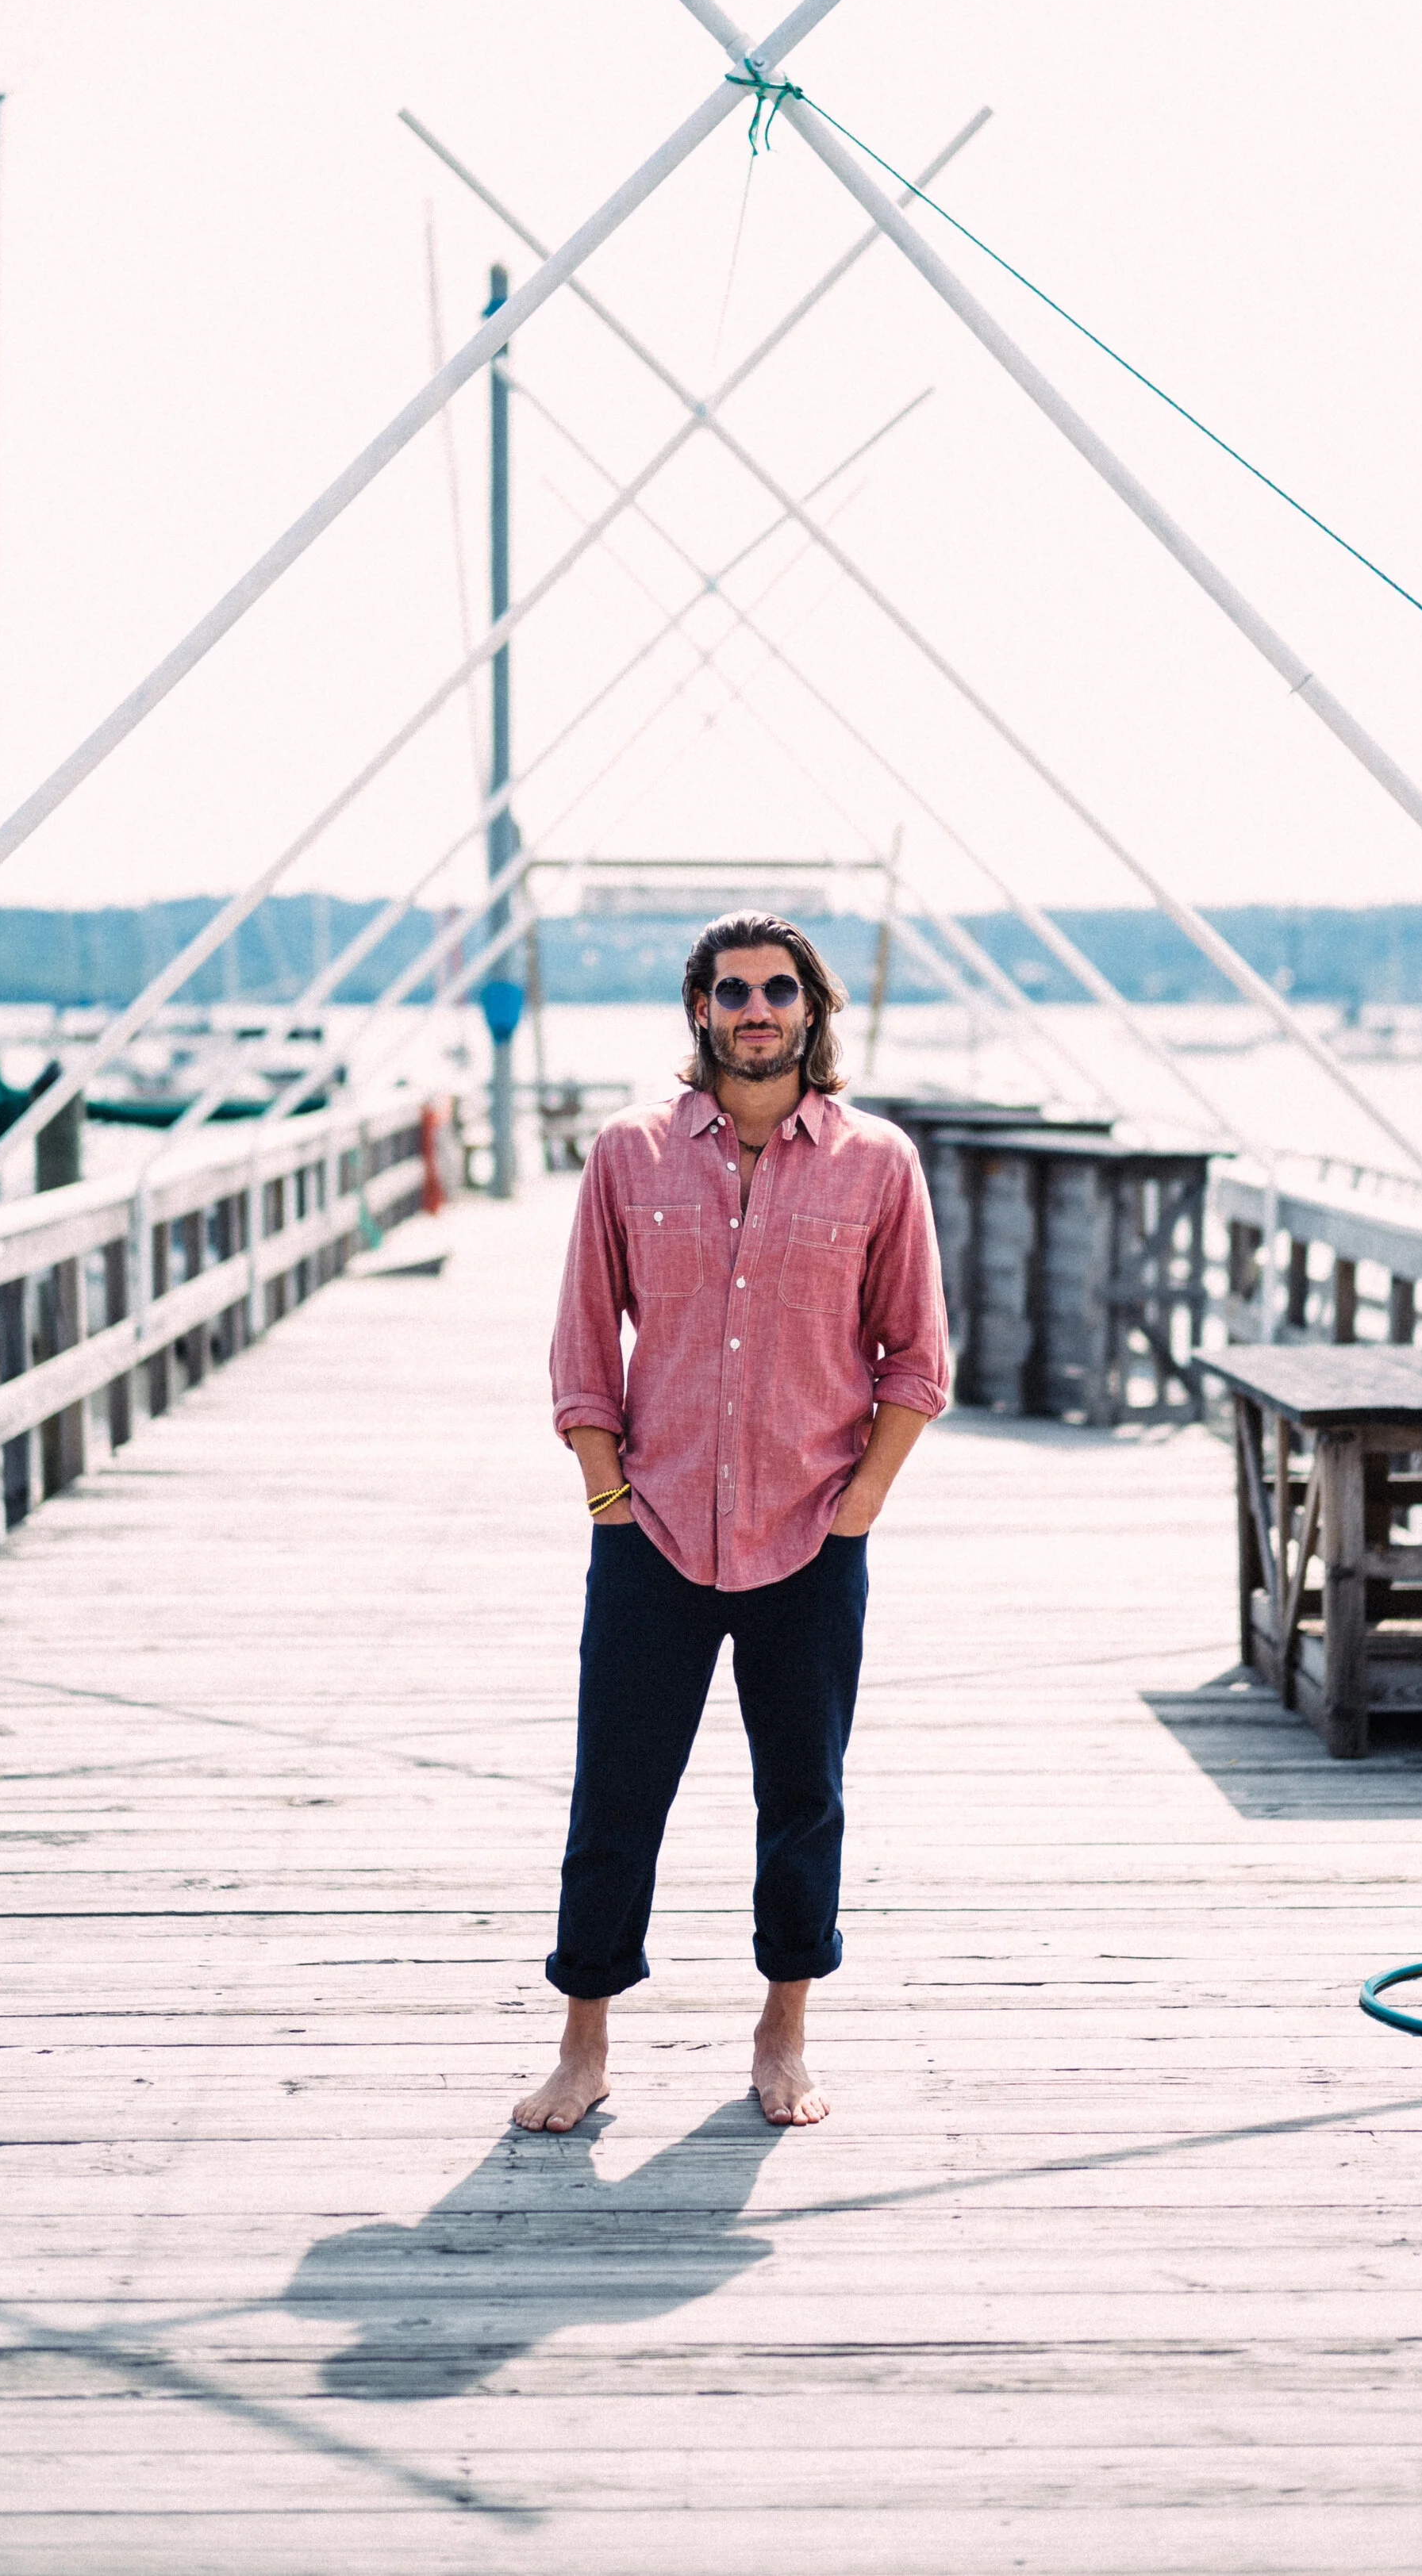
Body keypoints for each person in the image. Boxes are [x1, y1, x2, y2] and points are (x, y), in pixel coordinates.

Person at [515, 912, 948, 2134]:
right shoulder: (628, 1154)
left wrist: (858, 1506)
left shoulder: (879, 1164)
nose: (755, 1010)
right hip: (651, 1530)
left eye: (777, 989)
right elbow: (583, 1347)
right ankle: (584, 2043)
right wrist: (608, 1501)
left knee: (801, 1793)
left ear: (813, 1009)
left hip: (811, 1533)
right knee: (616, 1792)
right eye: (732, 990)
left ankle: (784, 2028)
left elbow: (917, 1356)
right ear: (699, 1010)